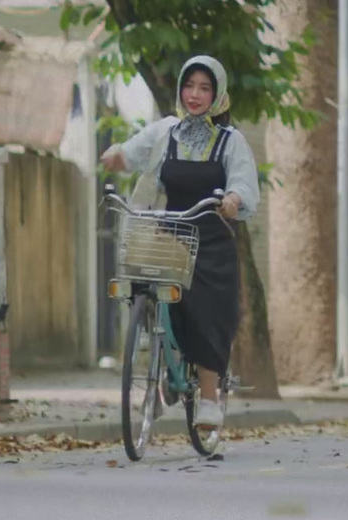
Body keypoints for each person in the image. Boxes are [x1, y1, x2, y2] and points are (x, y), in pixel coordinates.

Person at [100, 55, 260, 429]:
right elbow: (132, 153)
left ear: (217, 95)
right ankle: (155, 377)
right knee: (141, 293)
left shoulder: (230, 141)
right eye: (190, 86)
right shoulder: (166, 131)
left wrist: (233, 200)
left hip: (211, 239)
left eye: (205, 88)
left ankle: (208, 397)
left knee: (206, 309)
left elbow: (244, 185)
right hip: (169, 232)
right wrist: (115, 156)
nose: (195, 94)